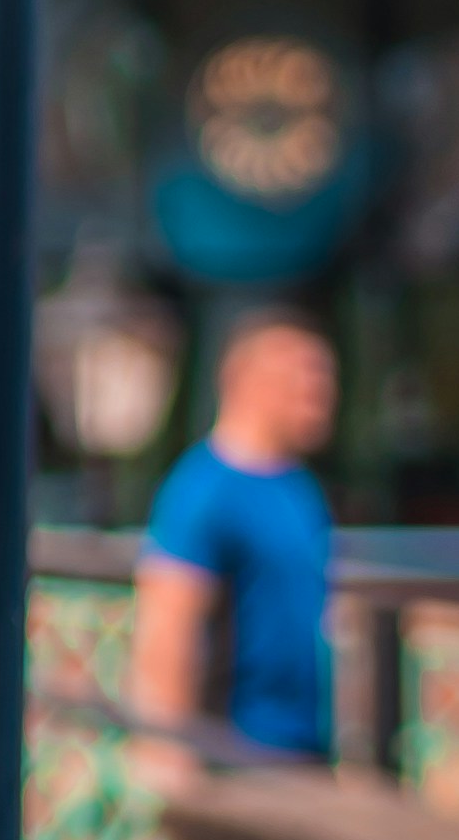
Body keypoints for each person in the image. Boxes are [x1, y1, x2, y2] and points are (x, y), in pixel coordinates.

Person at [133, 305, 341, 763]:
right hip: (238, 758)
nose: (318, 395)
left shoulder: (300, 488)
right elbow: (167, 626)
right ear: (243, 379)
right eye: (300, 379)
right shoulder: (203, 489)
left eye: (323, 382)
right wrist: (168, 758)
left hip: (303, 755)